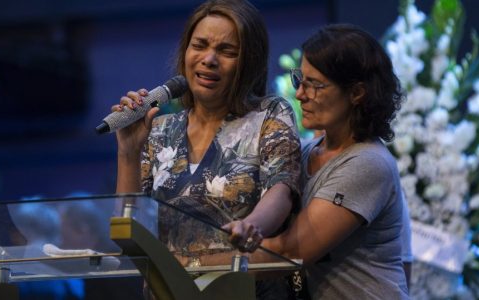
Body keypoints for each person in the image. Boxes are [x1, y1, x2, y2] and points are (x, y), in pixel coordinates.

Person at [111, 0, 300, 298]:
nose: (209, 59)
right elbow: (130, 229)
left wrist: (251, 226)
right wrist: (128, 152)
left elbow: (282, 190)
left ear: (248, 61)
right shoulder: (159, 129)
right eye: (199, 45)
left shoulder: (269, 114)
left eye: (227, 52)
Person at [225, 24, 409, 299]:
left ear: (357, 93)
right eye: (301, 80)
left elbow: (289, 252)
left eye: (315, 85)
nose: (300, 94)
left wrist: (191, 264)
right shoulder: (307, 151)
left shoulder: (368, 163)